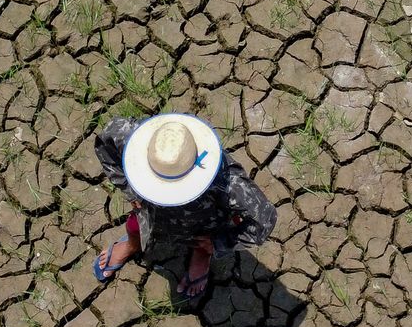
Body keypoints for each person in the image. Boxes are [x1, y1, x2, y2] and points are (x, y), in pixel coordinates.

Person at [92, 113, 277, 305]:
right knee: (135, 226)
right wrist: (131, 191)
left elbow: (265, 219)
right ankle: (133, 244)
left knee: (201, 242)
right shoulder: (135, 140)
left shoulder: (227, 182)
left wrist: (218, 243)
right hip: (149, 212)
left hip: (201, 223)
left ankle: (202, 255)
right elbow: (105, 142)